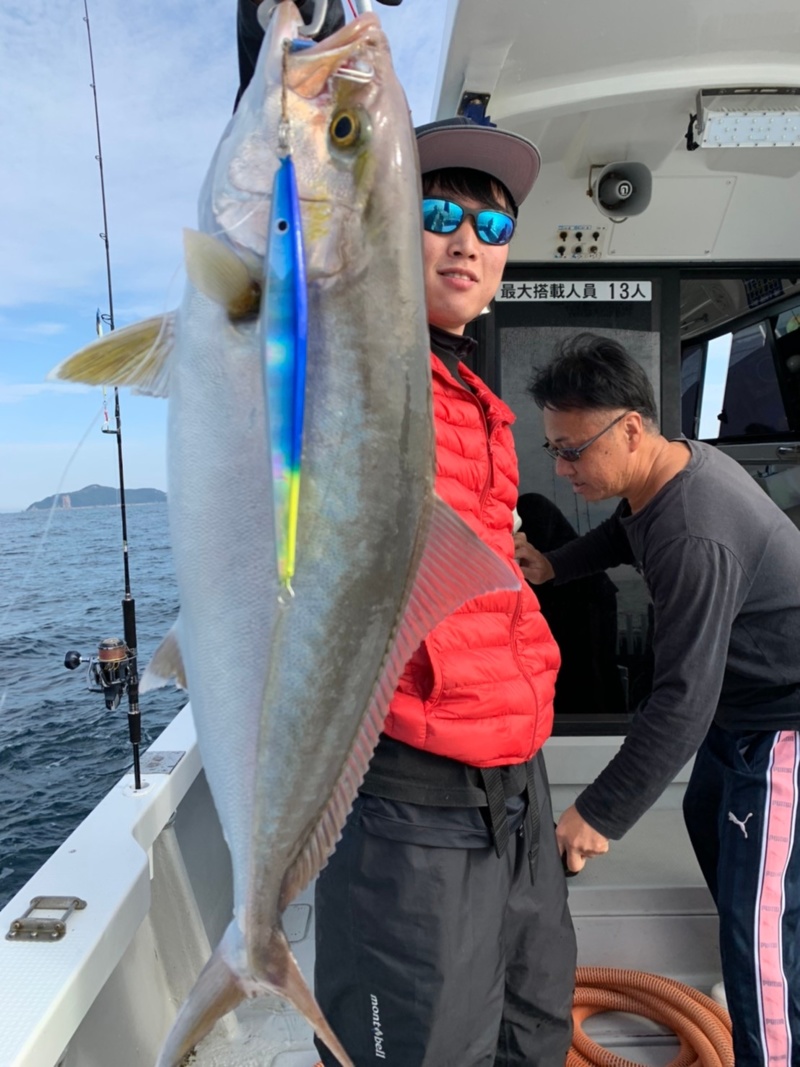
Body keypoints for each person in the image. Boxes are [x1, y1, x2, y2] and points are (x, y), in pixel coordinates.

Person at [313, 117, 577, 1067]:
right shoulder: (360, 363)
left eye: (492, 226)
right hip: (410, 801)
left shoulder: (485, 406)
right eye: (437, 215)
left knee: (533, 1029)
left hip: (518, 786)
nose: (467, 239)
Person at [519, 332, 800, 1067]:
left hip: (783, 726)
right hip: (741, 713)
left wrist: (596, 813)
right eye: (554, 448)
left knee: (756, 931)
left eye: (573, 451)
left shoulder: (695, 531)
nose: (560, 468)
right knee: (715, 838)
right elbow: (624, 534)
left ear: (630, 429)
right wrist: (552, 566)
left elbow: (681, 702)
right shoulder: (665, 475)